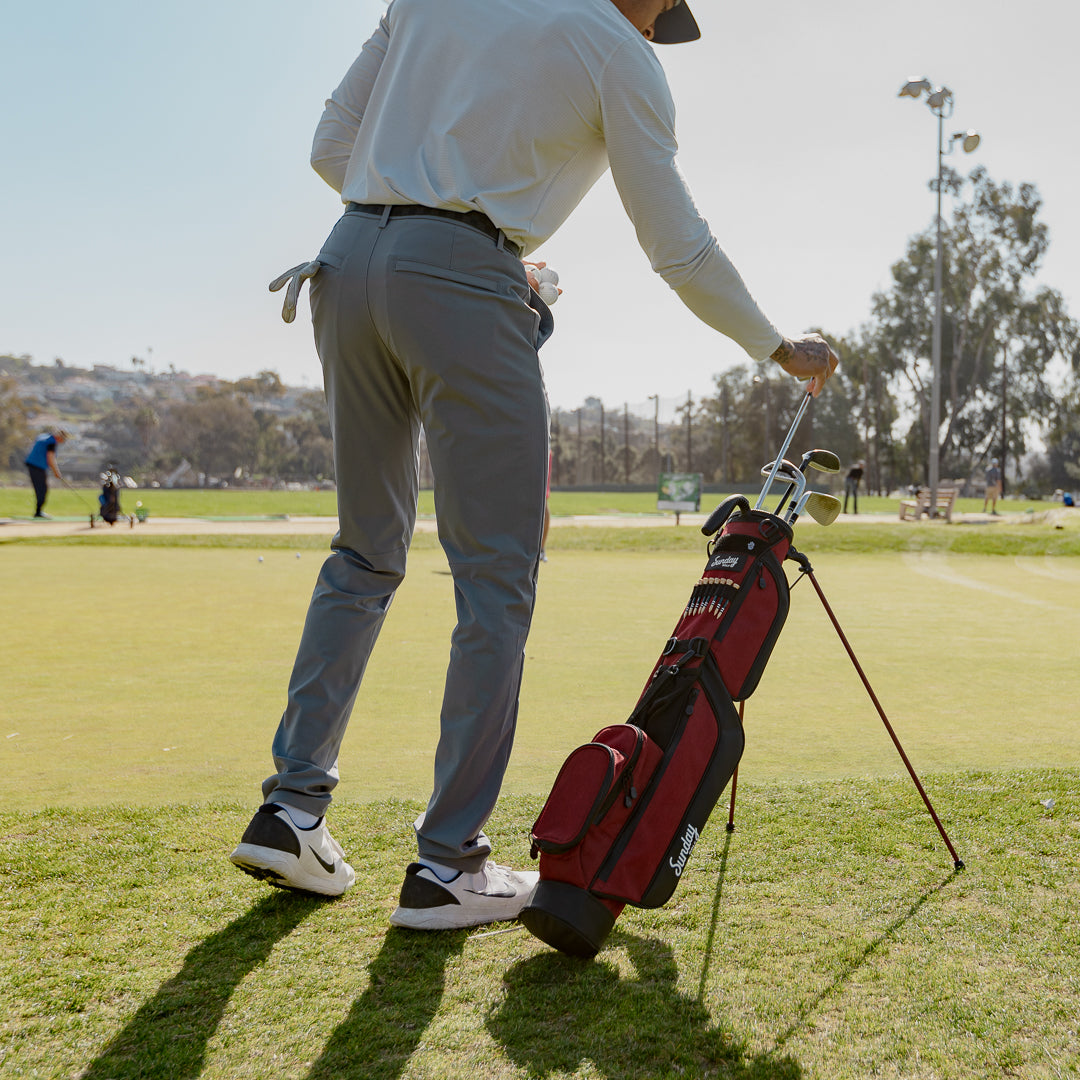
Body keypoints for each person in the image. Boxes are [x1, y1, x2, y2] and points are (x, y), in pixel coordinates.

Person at [230, 0, 839, 931]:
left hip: (347, 262)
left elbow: (331, 145)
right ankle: (447, 867)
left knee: (364, 553)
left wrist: (420, 203)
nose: (655, 29)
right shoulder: (618, 54)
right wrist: (773, 344)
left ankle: (291, 810)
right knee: (497, 577)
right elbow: (678, 248)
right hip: (464, 280)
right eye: (662, 12)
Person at [24, 429, 69, 518]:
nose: (62, 442)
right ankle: (38, 512)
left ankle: (38, 511)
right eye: (63, 439)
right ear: (59, 437)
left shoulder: (43, 436)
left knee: (40, 488)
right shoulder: (51, 442)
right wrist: (56, 472)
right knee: (42, 489)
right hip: (38, 466)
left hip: (32, 464)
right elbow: (50, 458)